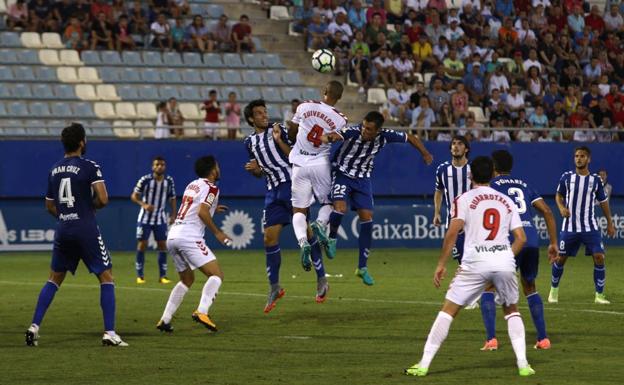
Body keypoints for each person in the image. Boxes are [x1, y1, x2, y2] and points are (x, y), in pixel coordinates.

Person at [405, 156, 534, 377]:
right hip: (503, 261)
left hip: (474, 263)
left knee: (448, 311)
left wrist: (441, 264)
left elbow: (452, 232)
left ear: (470, 175)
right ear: (493, 174)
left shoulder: (462, 199)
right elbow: (521, 238)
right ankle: (523, 365)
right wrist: (505, 257)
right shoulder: (506, 201)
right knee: (511, 311)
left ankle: (424, 364)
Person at [26, 123, 128, 347]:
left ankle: (34, 327)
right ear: (82, 142)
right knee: (106, 277)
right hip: (85, 227)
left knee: (54, 279)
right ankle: (109, 332)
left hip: (64, 228)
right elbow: (102, 199)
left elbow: (50, 205)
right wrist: (85, 209)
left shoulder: (54, 169)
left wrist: (66, 215)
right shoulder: (90, 166)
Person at [322, 111, 432, 285]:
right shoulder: (352, 132)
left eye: (369, 129)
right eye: (364, 126)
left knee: (367, 220)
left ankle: (362, 268)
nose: (364, 131)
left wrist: (425, 153)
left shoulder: (386, 136)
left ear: (378, 130)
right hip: (342, 174)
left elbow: (410, 137)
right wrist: (330, 137)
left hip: (363, 180)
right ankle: (332, 237)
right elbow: (336, 135)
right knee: (340, 209)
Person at [243, 99, 329, 310]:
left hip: (293, 184)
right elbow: (261, 171)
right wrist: (255, 170)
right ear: (250, 119)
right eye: (259, 113)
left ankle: (321, 279)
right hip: (273, 192)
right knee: (268, 238)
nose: (264, 115)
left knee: (307, 233)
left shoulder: (280, 130)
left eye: (265, 111)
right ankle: (274, 287)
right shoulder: (249, 143)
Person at [481, 150, 559, 351]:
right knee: (530, 287)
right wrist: (553, 243)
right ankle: (543, 339)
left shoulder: (492, 186)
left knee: (488, 287)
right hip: (531, 241)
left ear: (493, 168)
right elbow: (548, 211)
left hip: (509, 241)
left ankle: (491, 340)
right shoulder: (524, 185)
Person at [156, 156, 232, 333]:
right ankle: (202, 311)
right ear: (213, 170)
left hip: (173, 235)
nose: (219, 169)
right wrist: (218, 233)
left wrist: (214, 207)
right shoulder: (212, 188)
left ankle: (165, 319)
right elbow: (201, 212)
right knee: (216, 275)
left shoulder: (192, 184)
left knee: (187, 279)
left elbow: (195, 206)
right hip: (189, 236)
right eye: (217, 166)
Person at [287, 81, 347, 273]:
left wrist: (292, 139)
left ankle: (303, 242)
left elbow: (292, 130)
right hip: (320, 163)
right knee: (329, 203)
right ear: (339, 97)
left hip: (299, 163)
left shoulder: (304, 106)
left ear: (324, 91)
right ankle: (320, 224)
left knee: (298, 210)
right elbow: (336, 138)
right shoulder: (341, 119)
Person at [549, 147, 616, 305]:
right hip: (570, 227)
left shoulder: (596, 180)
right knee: (560, 259)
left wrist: (610, 223)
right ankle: (553, 291)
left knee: (599, 257)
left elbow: (603, 202)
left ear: (589, 159)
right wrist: (561, 208)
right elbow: (558, 195)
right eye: (577, 156)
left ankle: (599, 295)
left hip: (590, 227)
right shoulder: (566, 177)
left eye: (582, 156)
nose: (579, 159)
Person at [131, 156, 177, 285]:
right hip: (145, 218)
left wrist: (174, 214)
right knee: (142, 244)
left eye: (162, 164)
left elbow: (172, 198)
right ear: (153, 167)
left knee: (162, 245)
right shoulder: (145, 180)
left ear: (165, 167)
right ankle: (140, 276)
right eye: (157, 164)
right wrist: (143, 204)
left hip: (160, 218)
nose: (159, 167)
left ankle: (163, 276)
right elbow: (134, 196)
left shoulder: (169, 181)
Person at [433, 136, 472, 264]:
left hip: (473, 221)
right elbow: (439, 191)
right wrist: (437, 212)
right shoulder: (442, 169)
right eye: (453, 144)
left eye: (460, 144)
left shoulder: (473, 169)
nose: (455, 146)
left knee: (474, 260)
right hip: (453, 222)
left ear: (466, 149)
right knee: (462, 261)